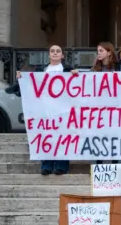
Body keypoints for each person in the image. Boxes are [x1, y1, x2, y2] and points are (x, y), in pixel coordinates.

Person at [16, 45, 78, 176]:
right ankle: (46, 165)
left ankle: (61, 166)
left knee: (62, 137)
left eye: (58, 51)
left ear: (62, 56)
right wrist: (22, 77)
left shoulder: (68, 70)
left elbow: (78, 88)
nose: (55, 53)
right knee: (47, 137)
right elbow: (30, 86)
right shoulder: (41, 71)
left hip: (63, 110)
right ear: (49, 55)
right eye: (52, 51)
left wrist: (75, 75)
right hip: (45, 110)